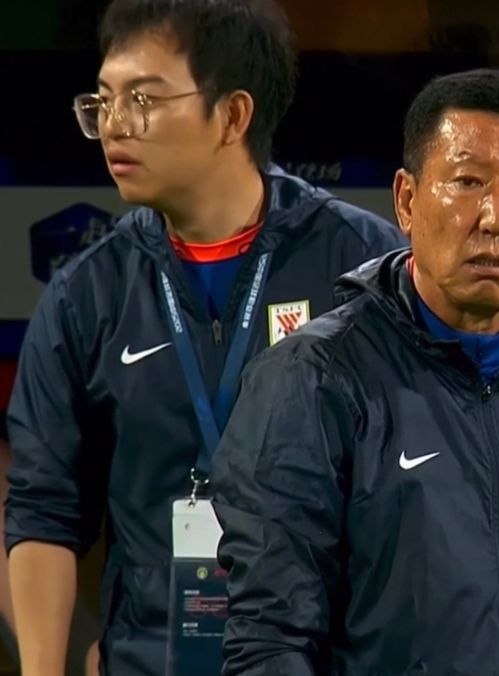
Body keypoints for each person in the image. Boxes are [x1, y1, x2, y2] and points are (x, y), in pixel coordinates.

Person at [213, 68, 499, 675]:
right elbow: (272, 642)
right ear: (407, 200)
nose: (497, 217)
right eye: (468, 181)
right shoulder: (312, 379)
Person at [3, 1, 406, 675]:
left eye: (143, 100)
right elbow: (45, 508)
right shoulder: (87, 293)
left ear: (233, 116)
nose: (114, 125)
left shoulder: (362, 267)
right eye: (103, 101)